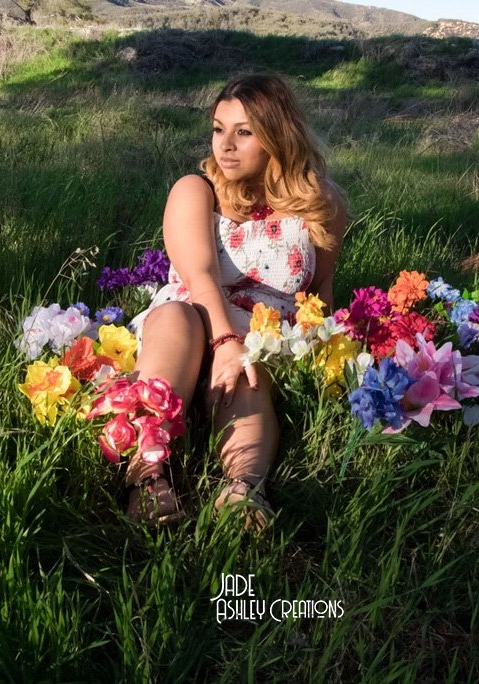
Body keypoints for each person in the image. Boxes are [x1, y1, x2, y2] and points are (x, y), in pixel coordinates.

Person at [126, 73, 347, 528]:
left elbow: (320, 291)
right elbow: (200, 277)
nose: (224, 145)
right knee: (177, 317)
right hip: (194, 321)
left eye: (243, 132)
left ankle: (242, 490)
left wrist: (324, 356)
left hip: (260, 336)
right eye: (218, 129)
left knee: (251, 368)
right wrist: (226, 341)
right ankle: (145, 474)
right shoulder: (197, 190)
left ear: (278, 136)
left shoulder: (319, 203)